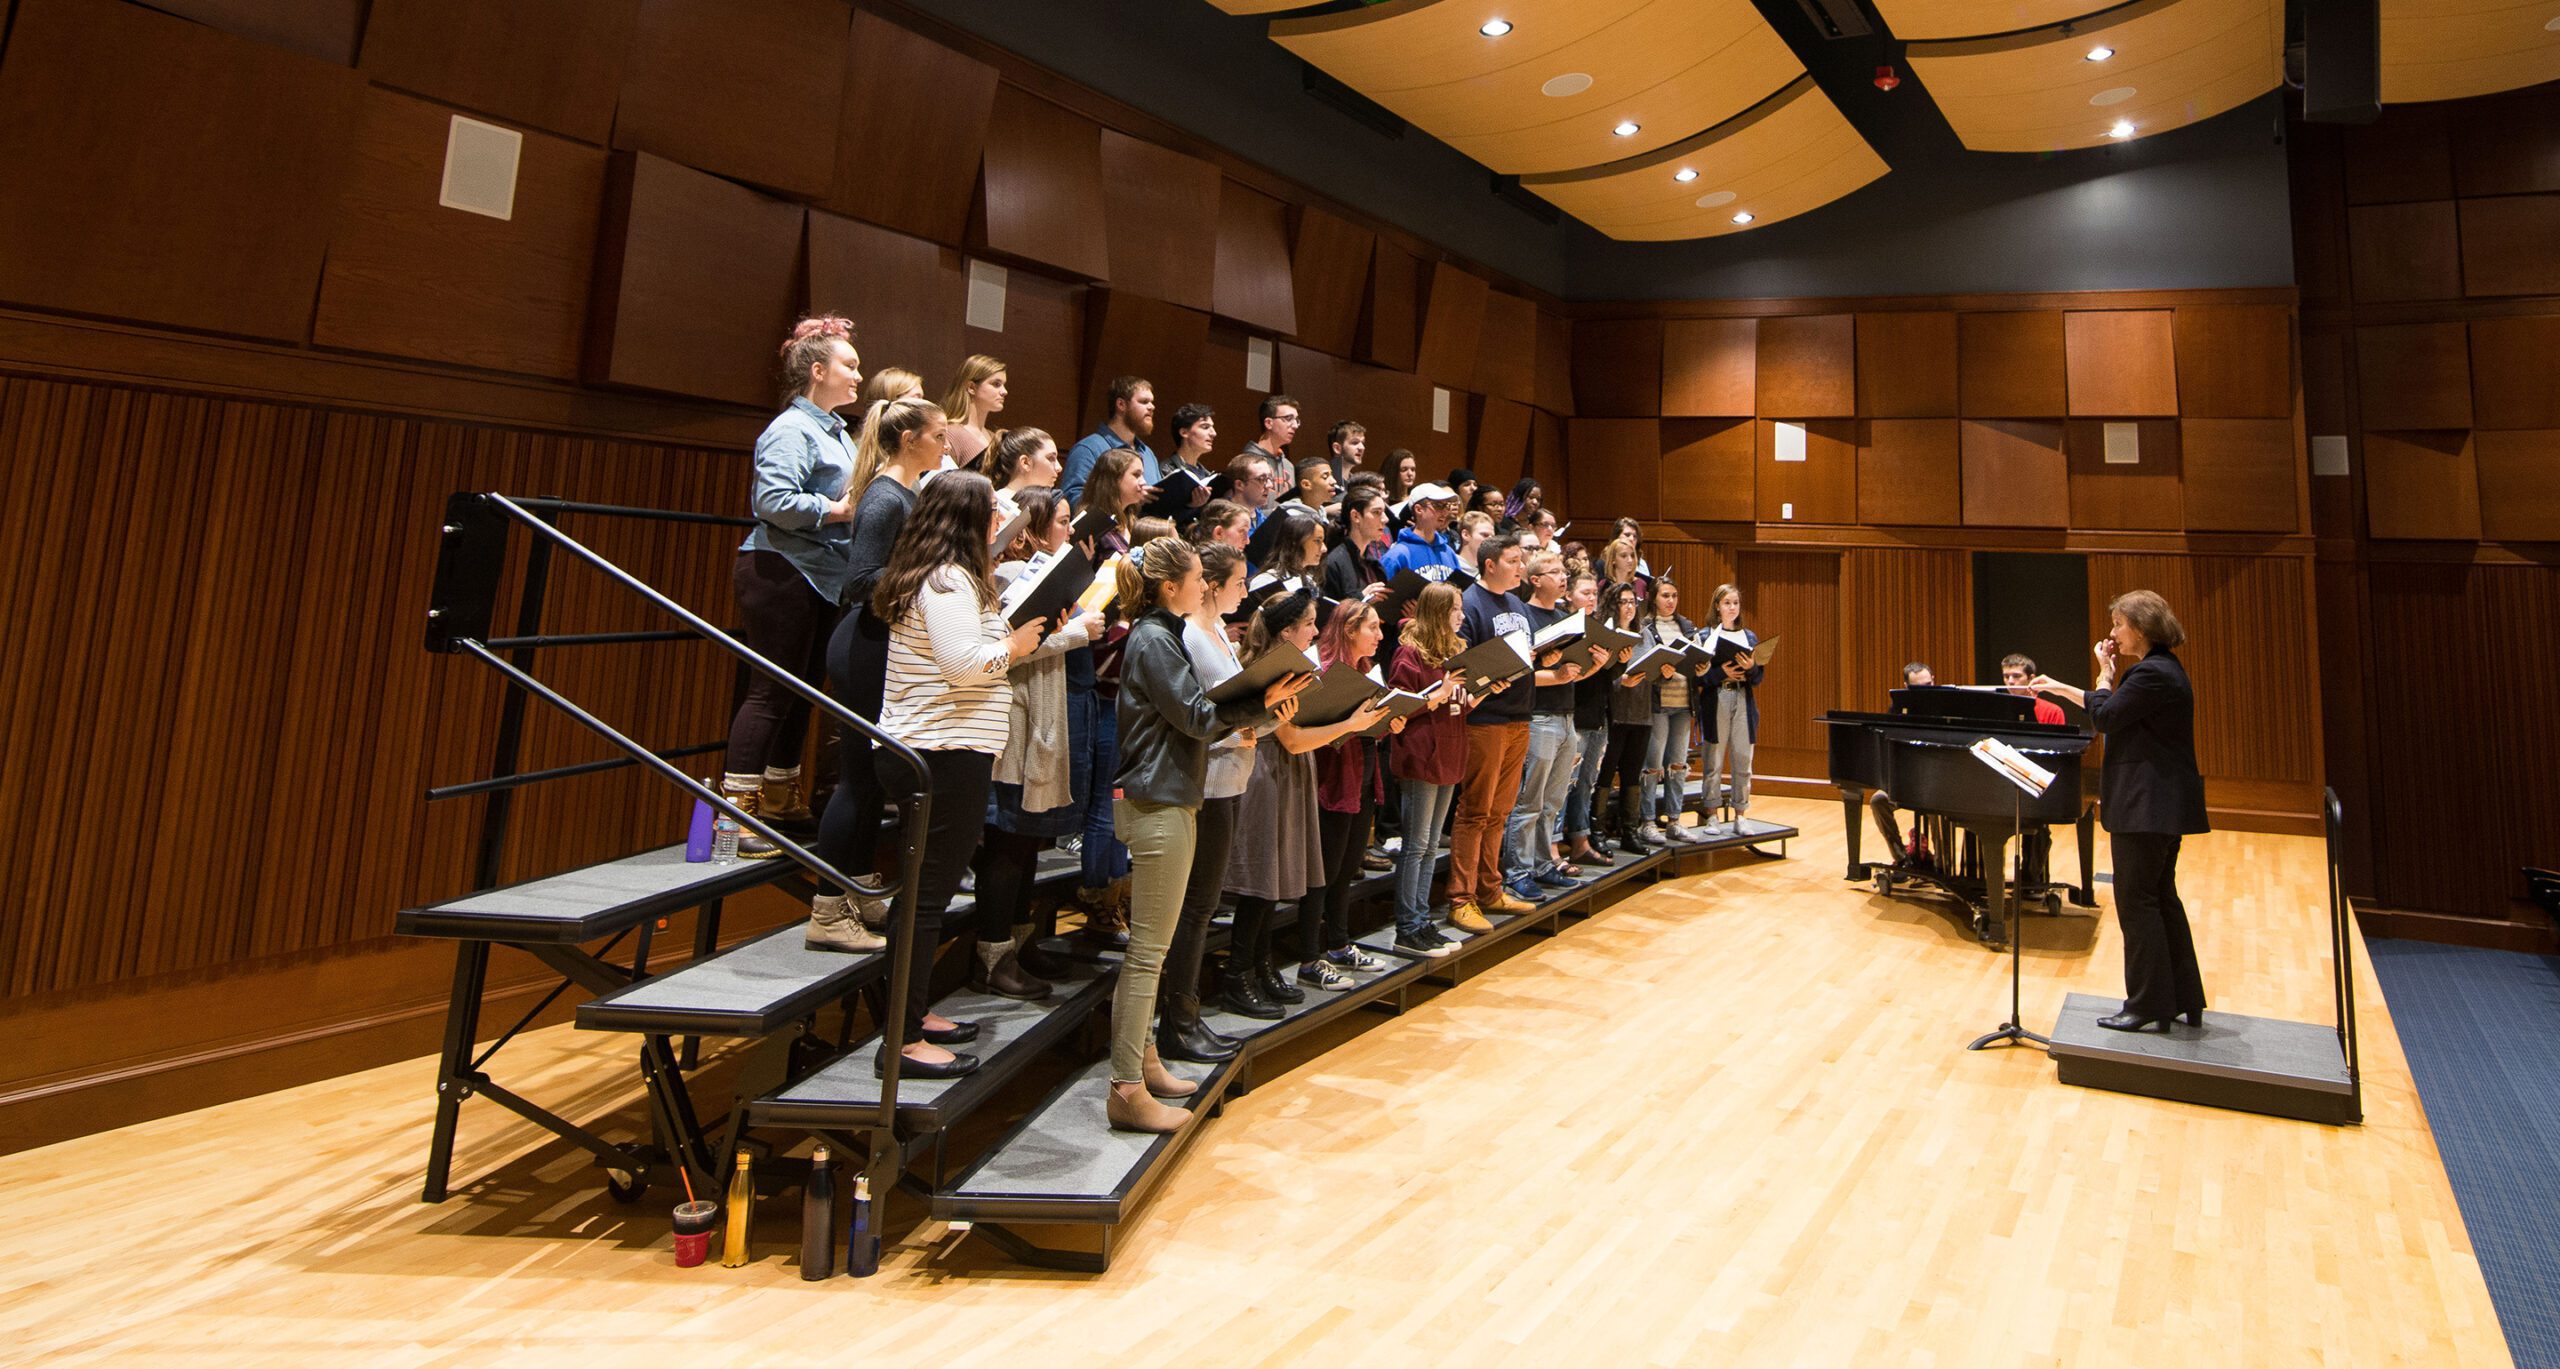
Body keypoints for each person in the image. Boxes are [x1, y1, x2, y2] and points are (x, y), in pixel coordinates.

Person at [1110, 538, 1306, 1131]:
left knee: (1155, 949)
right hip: (1157, 801)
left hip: (1172, 797)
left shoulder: (1160, 634)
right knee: (1147, 954)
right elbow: (1196, 716)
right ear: (1172, 586)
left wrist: (1266, 708)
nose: (1203, 589)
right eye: (1198, 578)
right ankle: (1124, 1089)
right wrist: (1259, 702)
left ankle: (1143, 1061)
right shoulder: (1153, 639)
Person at [866, 471, 1052, 1080]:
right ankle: (901, 1041)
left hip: (946, 750)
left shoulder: (950, 578)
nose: (1002, 522)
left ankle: (911, 1016)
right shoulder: (946, 582)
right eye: (994, 513)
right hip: (937, 754)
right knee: (924, 900)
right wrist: (1017, 647)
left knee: (928, 895)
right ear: (967, 520)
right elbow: (963, 668)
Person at [2027, 591, 2210, 1032]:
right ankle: (2182, 997)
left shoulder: (2150, 674)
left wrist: (2104, 677)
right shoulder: (2160, 671)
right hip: (2158, 807)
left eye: (2118, 625)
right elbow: (2108, 707)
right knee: (2160, 897)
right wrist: (2066, 686)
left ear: (2141, 627)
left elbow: (2106, 717)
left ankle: (2147, 1004)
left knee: (2137, 903)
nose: (2112, 634)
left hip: (2146, 808)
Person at [806, 395, 947, 946]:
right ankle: (826, 911)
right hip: (863, 645)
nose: (944, 445)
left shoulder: (905, 492)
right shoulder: (886, 497)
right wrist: (931, 568)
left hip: (881, 643)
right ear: (909, 439)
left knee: (873, 778)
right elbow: (861, 581)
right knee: (858, 780)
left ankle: (858, 887)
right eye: (937, 436)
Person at [724, 317, 863, 870]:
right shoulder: (790, 429)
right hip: (781, 569)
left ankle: (780, 797)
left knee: (804, 687)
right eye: (849, 365)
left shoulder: (834, 430)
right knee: (770, 691)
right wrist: (839, 509)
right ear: (818, 370)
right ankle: (735, 812)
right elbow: (773, 500)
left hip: (823, 572)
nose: (858, 374)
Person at [1220, 592, 1382, 1009]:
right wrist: (1351, 723)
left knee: (1272, 882)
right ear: (1288, 631)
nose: (1316, 630)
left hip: (1289, 773)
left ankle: (1262, 965)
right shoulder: (1272, 669)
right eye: (1309, 624)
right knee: (1261, 881)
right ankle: (1238, 974)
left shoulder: (1294, 664)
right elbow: (1291, 740)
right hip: (1268, 771)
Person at [972, 490, 1102, 998]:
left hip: (1042, 716)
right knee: (1008, 843)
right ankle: (992, 955)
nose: (1070, 531)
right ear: (1030, 530)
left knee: (1027, 845)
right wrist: (1077, 633)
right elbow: (1009, 652)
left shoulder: (1043, 572)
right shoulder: (1007, 578)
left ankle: (1020, 946)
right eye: (1063, 522)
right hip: (1015, 725)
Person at [1159, 541, 1259, 1055]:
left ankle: (1186, 1016)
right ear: (1212, 586)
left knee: (1203, 906)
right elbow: (1191, 719)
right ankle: (1178, 1022)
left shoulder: (1217, 630)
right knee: (1196, 908)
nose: (1245, 591)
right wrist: (1240, 726)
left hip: (1233, 777)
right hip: (1210, 782)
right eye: (1239, 583)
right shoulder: (1190, 638)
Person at [1298, 600, 1404, 988]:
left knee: (1345, 870)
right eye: (1372, 628)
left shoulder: (1365, 671)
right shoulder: (1325, 673)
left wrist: (1386, 720)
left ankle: (1340, 946)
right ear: (1348, 630)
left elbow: (1360, 728)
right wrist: (1357, 722)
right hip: (1331, 781)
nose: (1379, 635)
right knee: (1322, 873)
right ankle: (1310, 959)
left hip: (1361, 775)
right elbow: (1319, 732)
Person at [1501, 549, 1603, 900]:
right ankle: (1517, 871)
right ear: (1535, 580)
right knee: (1528, 801)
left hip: (1567, 715)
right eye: (1554, 572)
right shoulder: (1522, 615)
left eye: (1563, 572)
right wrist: (1557, 675)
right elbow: (1521, 673)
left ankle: (1544, 864)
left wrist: (1595, 666)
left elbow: (1571, 675)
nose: (1563, 578)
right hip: (1538, 715)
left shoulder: (1565, 617)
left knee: (1553, 801)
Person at [1448, 534, 1536, 930]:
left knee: (1500, 811)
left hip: (1519, 716)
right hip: (1485, 721)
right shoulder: (1469, 603)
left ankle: (1489, 889)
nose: (1521, 568)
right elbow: (1461, 666)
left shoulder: (1517, 603)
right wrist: (1486, 682)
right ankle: (1460, 898)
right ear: (1489, 565)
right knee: (1476, 810)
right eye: (1514, 560)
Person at [1386, 584, 1469, 956]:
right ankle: (1407, 926)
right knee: (1416, 846)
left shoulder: (1454, 650)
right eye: (1455, 609)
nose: (1461, 616)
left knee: (1432, 846)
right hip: (1421, 757)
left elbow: (1456, 704)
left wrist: (1474, 694)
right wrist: (1435, 696)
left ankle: (1422, 921)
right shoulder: (1408, 654)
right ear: (1437, 611)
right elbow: (1397, 707)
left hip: (1449, 753)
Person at [1561, 572, 1626, 867]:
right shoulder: (1564, 629)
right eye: (1585, 593)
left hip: (1598, 715)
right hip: (1573, 715)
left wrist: (1619, 659)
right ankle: (1553, 845)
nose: (1591, 598)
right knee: (1564, 785)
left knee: (1586, 783)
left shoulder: (1598, 629)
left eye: (1594, 594)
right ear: (1569, 595)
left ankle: (1580, 840)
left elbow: (1611, 677)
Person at [1638, 577, 1708, 845]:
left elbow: (1697, 659)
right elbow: (1642, 667)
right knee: (1653, 765)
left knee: (1678, 764)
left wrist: (1702, 668)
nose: (1671, 601)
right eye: (1665, 595)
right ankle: (1647, 821)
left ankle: (1675, 820)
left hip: (1683, 703)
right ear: (1653, 597)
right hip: (1657, 703)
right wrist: (1659, 670)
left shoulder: (1687, 626)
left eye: (1675, 595)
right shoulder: (1645, 626)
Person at [1598, 580, 1663, 855]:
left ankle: (1629, 831)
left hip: (1641, 713)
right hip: (1615, 714)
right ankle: (1597, 831)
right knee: (1605, 775)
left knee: (1632, 775)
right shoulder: (1606, 635)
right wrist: (1619, 681)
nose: (1629, 607)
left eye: (1632, 602)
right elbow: (1599, 678)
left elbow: (1651, 670)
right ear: (1613, 605)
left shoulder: (1644, 634)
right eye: (1623, 602)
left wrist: (1662, 671)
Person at [1695, 582, 1763, 833]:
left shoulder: (1749, 636)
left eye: (1735, 603)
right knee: (1713, 758)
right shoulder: (1705, 636)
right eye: (1727, 603)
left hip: (1743, 698)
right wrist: (1719, 672)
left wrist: (1751, 668)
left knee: (1743, 759)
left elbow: (1757, 678)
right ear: (1717, 606)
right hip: (1717, 699)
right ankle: (1711, 813)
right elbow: (1698, 678)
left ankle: (1741, 814)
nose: (1732, 607)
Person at [1868, 661, 1939, 864]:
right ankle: (1902, 859)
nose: (1924, 693)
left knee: (1939, 808)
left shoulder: (1944, 707)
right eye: (1917, 688)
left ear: (1933, 681)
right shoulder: (1898, 710)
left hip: (1938, 784)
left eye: (1928, 685)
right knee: (1878, 801)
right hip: (1908, 781)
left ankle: (1943, 865)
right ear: (1906, 687)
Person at [1060, 375, 1158, 503]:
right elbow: (1073, 500)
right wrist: (1123, 498)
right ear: (1121, 404)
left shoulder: (1148, 454)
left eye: (1152, 402)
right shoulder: (1088, 449)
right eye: (1144, 402)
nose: (1152, 407)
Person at [1322, 486, 1391, 607]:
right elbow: (1327, 617)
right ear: (1355, 516)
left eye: (1384, 512)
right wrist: (1362, 599)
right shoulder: (1334, 563)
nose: (1385, 519)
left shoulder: (1375, 565)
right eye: (1377, 512)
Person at [1379, 482, 1460, 582]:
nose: (1444, 512)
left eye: (1446, 506)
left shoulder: (1448, 553)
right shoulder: (1397, 555)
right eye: (1438, 506)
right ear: (1418, 509)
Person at [938, 354, 1006, 469]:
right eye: (996, 384)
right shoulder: (950, 434)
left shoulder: (994, 437)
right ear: (971, 387)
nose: (1004, 391)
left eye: (1004, 385)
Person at [987, 426, 1060, 524]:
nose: (1059, 467)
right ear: (1025, 462)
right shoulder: (998, 508)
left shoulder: (1041, 506)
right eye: (1051, 458)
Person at [1162, 403, 1220, 522]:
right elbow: (1160, 516)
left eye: (1212, 427)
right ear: (1184, 432)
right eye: (1205, 427)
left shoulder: (1207, 474)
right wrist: (1190, 507)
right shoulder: (1165, 470)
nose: (1213, 433)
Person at [1242, 394, 1300, 500]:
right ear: (1269, 423)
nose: (1295, 425)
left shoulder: (1288, 465)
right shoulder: (1248, 462)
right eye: (1288, 418)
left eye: (1296, 420)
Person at [2002, 653, 2069, 726]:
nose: (2010, 681)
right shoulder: (1997, 709)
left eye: (2016, 676)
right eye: (2006, 676)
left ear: (2031, 678)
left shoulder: (2053, 711)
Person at [1223, 451, 1276, 528]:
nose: (1270, 485)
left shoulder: (1265, 521)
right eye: (1261, 479)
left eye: (1270, 478)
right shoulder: (1221, 521)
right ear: (1239, 485)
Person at [1324, 419, 1366, 489]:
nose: (1362, 447)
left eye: (1363, 443)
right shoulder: (1325, 481)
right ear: (1337, 448)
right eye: (1355, 442)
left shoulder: (1356, 484)